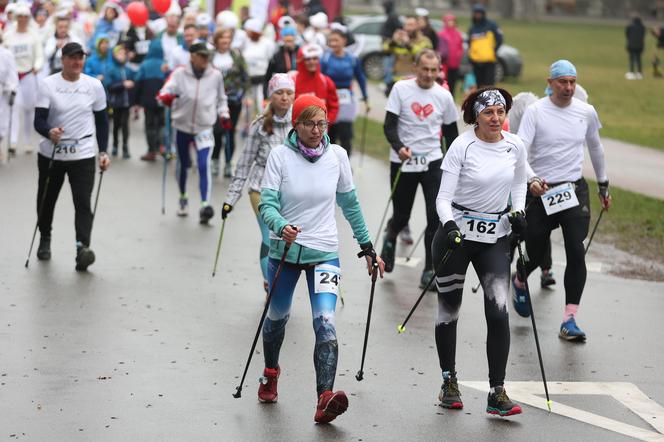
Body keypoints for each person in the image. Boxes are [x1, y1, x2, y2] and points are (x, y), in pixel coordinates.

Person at [256, 94, 385, 422]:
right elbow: (267, 204)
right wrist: (280, 225)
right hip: (285, 250)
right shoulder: (279, 157)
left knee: (325, 322)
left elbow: (350, 204)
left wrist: (367, 247)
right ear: (295, 124)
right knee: (276, 317)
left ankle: (324, 397)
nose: (316, 130)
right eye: (309, 123)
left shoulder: (338, 156)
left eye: (321, 123)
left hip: (324, 251)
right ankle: (271, 371)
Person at [432, 87, 525, 417]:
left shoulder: (515, 146)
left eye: (500, 112)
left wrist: (518, 211)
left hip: (494, 238)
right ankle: (449, 382)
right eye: (489, 113)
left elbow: (518, 183)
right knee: (449, 311)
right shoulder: (462, 146)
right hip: (455, 238)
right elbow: (443, 198)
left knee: (499, 313)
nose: (496, 118)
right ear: (476, 116)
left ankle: (497, 391)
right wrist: (449, 224)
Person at [513, 60, 612, 341]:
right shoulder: (535, 112)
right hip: (541, 191)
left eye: (572, 82)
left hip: (573, 190)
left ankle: (569, 319)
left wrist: (603, 184)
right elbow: (521, 150)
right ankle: (520, 279)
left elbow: (596, 147)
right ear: (550, 82)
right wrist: (531, 179)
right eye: (562, 82)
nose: (568, 88)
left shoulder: (586, 112)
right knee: (534, 249)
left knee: (575, 250)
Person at [381, 49, 459, 289]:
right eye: (424, 69)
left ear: (439, 71)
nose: (428, 74)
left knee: (434, 218)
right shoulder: (400, 89)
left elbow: (451, 134)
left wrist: (454, 163)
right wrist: (399, 146)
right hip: (404, 159)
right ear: (415, 68)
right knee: (402, 214)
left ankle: (430, 269)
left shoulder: (444, 96)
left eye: (433, 70)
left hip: (432, 161)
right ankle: (391, 235)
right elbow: (389, 126)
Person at [33, 42, 110, 271]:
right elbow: (38, 120)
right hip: (52, 154)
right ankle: (45, 237)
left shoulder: (94, 86)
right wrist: (49, 131)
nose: (77, 62)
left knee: (83, 203)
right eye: (72, 58)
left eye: (81, 58)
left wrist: (103, 151)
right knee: (46, 201)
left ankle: (82, 248)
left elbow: (102, 122)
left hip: (83, 154)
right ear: (63, 59)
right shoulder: (48, 85)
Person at [221, 74, 294, 292]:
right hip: (260, 189)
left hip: (291, 191)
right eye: (279, 93)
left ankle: (279, 281)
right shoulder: (260, 125)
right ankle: (271, 286)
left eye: (289, 93)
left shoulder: (300, 122)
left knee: (286, 241)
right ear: (271, 96)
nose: (284, 98)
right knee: (270, 237)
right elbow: (244, 163)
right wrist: (231, 199)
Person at [157, 42, 230, 223]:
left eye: (208, 56)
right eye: (202, 55)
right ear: (192, 56)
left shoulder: (216, 76)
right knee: (182, 164)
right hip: (182, 126)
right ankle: (183, 196)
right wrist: (165, 97)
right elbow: (165, 91)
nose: (206, 59)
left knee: (203, 164)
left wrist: (224, 114)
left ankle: (205, 205)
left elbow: (222, 99)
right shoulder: (180, 73)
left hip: (204, 126)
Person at [3, 3, 44, 155]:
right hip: (13, 76)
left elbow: (39, 54)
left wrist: (37, 66)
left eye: (25, 17)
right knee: (14, 108)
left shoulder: (33, 35)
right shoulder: (8, 34)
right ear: (15, 17)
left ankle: (28, 141)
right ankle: (12, 142)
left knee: (28, 109)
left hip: (28, 74)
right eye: (19, 16)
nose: (22, 19)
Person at [320, 28, 368, 157]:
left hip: (347, 100)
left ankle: (345, 164)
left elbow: (360, 77)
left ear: (344, 41)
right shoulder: (325, 58)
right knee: (330, 133)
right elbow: (320, 78)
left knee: (346, 134)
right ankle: (329, 163)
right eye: (330, 41)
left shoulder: (352, 59)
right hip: (330, 99)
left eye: (336, 40)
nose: (333, 43)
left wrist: (366, 97)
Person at [211, 28, 249, 177]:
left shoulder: (236, 55)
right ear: (217, 42)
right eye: (222, 41)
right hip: (215, 100)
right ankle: (215, 160)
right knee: (217, 131)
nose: (225, 43)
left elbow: (246, 76)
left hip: (233, 100)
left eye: (228, 41)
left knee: (230, 131)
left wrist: (242, 93)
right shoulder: (210, 57)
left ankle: (228, 162)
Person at [382, 15, 432, 95]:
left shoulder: (424, 40)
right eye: (406, 25)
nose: (408, 28)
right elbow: (385, 49)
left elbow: (422, 55)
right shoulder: (399, 39)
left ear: (417, 26)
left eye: (411, 25)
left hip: (416, 82)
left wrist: (408, 44)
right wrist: (393, 41)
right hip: (397, 80)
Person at [134, 39, 166, 162]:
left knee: (150, 125)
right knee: (162, 124)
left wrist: (136, 101)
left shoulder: (145, 64)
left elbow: (138, 82)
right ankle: (161, 146)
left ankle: (151, 151)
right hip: (163, 99)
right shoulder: (164, 64)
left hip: (148, 100)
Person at [294, 43, 338, 124]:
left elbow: (334, 105)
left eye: (315, 58)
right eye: (308, 59)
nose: (312, 62)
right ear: (301, 61)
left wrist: (327, 122)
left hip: (322, 129)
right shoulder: (293, 81)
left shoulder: (326, 81)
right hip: (299, 129)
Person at [241, 18, 276, 118]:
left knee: (261, 104)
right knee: (247, 106)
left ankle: (264, 124)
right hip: (248, 80)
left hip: (262, 79)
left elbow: (270, 60)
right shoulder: (245, 42)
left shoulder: (267, 43)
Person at [106, 44, 134, 158]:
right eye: (119, 53)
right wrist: (123, 85)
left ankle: (125, 147)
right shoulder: (111, 69)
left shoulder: (128, 69)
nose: (121, 56)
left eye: (123, 53)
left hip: (126, 103)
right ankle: (115, 145)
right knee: (116, 125)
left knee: (125, 124)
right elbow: (109, 86)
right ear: (114, 55)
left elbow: (133, 82)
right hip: (115, 102)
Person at [467, 3, 502, 88]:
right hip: (476, 62)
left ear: (483, 14)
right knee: (479, 86)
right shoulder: (472, 28)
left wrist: (493, 51)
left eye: (480, 13)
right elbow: (469, 43)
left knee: (489, 85)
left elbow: (500, 39)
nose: (478, 15)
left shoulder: (492, 25)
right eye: (476, 13)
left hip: (489, 62)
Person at [263, 26, 299, 97]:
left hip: (298, 89)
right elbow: (268, 77)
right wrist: (266, 95)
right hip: (282, 90)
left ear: (295, 39)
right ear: (283, 40)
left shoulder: (300, 53)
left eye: (291, 41)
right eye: (287, 41)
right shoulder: (277, 56)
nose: (289, 44)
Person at [0, 30, 18, 162]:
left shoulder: (6, 54)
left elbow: (12, 75)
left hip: (2, 92)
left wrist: (11, 88)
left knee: (2, 124)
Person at [437, 14, 463, 98]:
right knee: (444, 84)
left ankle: (452, 101)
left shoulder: (458, 34)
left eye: (452, 21)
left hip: (455, 64)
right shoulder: (441, 34)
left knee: (453, 85)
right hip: (445, 64)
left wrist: (459, 55)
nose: (451, 23)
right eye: (449, 21)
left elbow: (460, 46)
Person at [625, 15, 645, 80]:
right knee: (639, 59)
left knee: (631, 59)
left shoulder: (630, 27)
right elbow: (643, 36)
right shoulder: (642, 27)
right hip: (640, 46)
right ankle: (639, 73)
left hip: (631, 45)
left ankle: (631, 73)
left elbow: (627, 35)